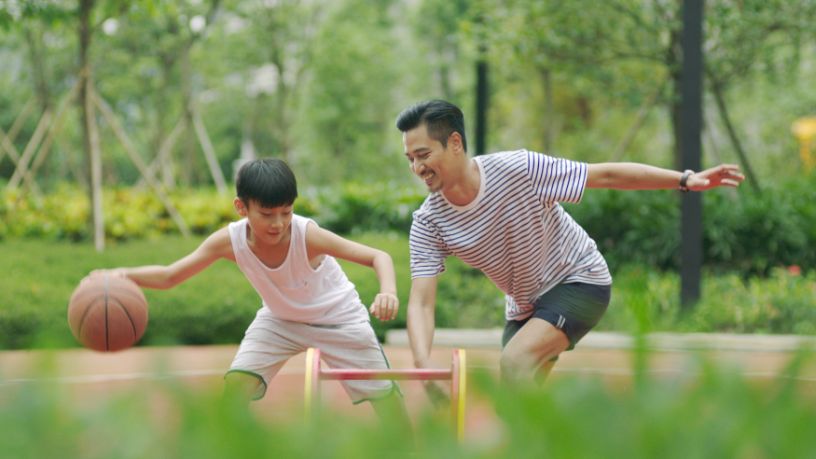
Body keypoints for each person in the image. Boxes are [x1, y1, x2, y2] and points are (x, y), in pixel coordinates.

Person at [395, 99, 744, 387]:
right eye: (410, 159)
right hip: (526, 306)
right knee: (520, 395)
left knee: (514, 362)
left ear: (454, 143)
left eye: (423, 154)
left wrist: (685, 179)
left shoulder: (520, 169)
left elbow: (604, 175)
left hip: (579, 280)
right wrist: (423, 365)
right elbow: (422, 303)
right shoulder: (428, 223)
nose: (417, 167)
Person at [95, 158, 408, 420]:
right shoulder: (228, 241)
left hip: (339, 319)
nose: (278, 223)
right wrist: (118, 274)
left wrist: (388, 292)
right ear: (241, 208)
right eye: (267, 214)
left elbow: (376, 256)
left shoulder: (307, 235)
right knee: (234, 391)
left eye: (286, 212)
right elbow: (169, 276)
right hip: (280, 322)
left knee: (386, 402)